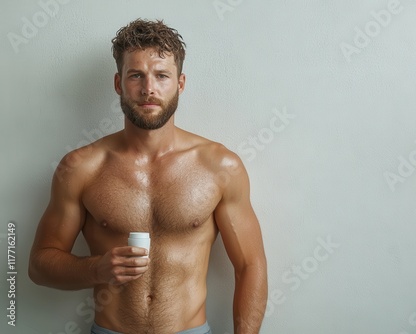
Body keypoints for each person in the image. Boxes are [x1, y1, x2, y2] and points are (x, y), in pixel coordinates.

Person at [29, 19, 268, 334]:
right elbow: (40, 266)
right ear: (119, 83)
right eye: (136, 75)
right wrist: (96, 269)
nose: (148, 89)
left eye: (162, 76)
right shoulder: (81, 168)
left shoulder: (219, 166)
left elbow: (251, 266)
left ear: (180, 84)